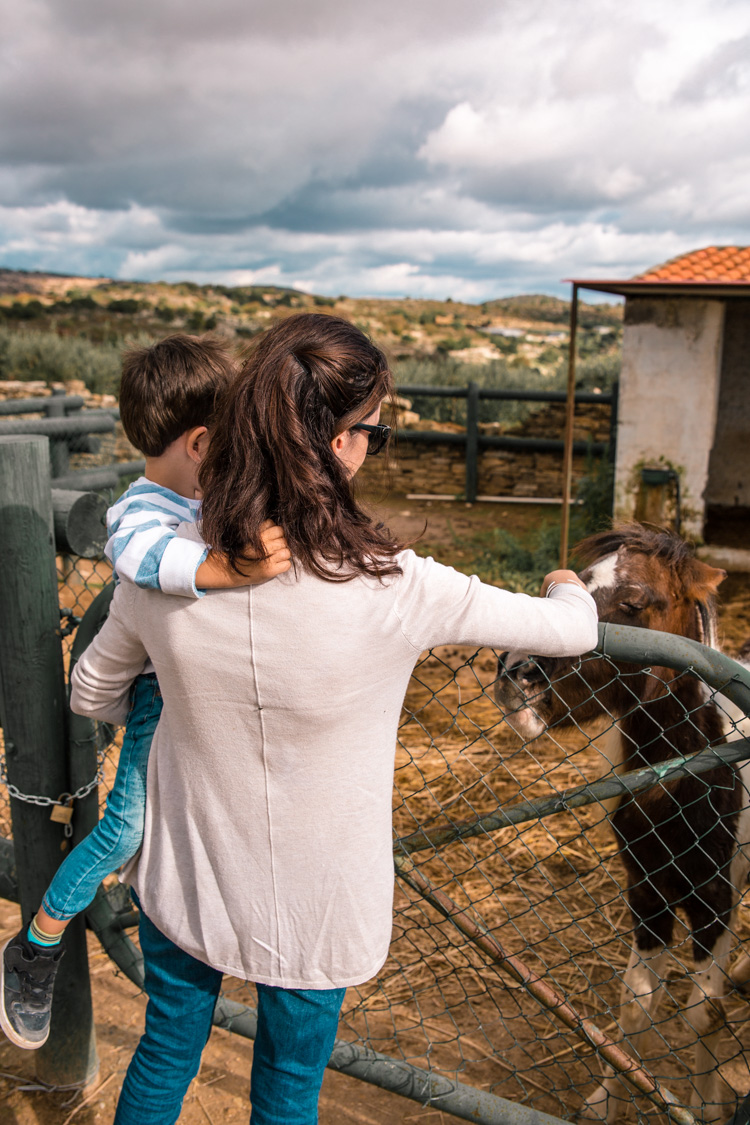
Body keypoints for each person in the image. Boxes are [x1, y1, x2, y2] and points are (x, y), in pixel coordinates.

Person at [68, 313, 598, 1125]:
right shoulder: (401, 586)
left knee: (166, 1048)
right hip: (315, 907)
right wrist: (567, 580)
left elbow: (91, 692)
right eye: (374, 435)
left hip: (189, 872)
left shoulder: (165, 566)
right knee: (288, 1090)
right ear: (342, 443)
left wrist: (177, 697)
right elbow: (575, 631)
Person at [0, 334, 290, 1052]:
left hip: (218, 693)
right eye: (228, 445)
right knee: (126, 829)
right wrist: (228, 570)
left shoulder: (206, 496)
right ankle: (36, 947)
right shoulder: (142, 509)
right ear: (199, 441)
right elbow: (141, 557)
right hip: (163, 695)